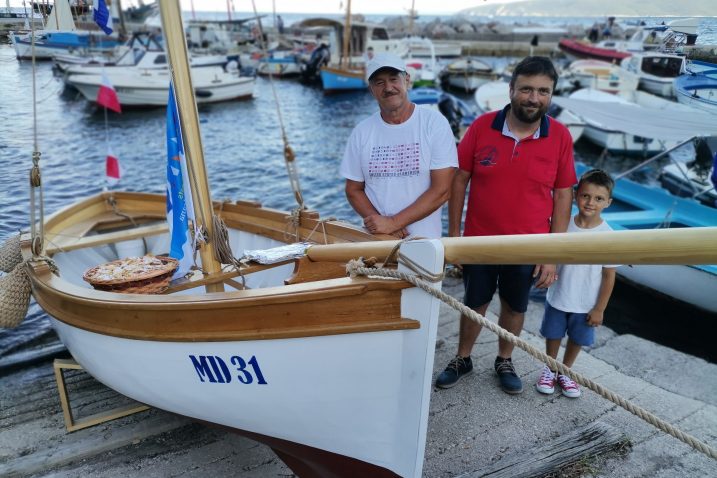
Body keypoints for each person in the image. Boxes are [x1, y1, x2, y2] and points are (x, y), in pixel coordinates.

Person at [436, 56, 576, 394]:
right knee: (474, 302)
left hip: (528, 245)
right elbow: (460, 180)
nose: (534, 98)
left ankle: (504, 359)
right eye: (526, 89)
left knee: (516, 305)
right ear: (511, 89)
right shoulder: (482, 126)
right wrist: (454, 236)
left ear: (552, 95)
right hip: (480, 240)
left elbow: (562, 196)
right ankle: (463, 357)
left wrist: (552, 254)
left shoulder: (560, 136)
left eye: (543, 91)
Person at [339, 53, 457, 239]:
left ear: (407, 80)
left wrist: (393, 223)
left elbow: (442, 191)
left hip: (425, 245)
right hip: (377, 242)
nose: (388, 88)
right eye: (379, 83)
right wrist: (380, 222)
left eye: (394, 79)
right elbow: (353, 189)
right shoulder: (361, 132)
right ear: (371, 90)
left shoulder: (434, 123)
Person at [536, 169, 618, 398]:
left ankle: (566, 371)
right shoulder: (562, 225)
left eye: (599, 198)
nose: (590, 202)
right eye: (585, 196)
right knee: (553, 334)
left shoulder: (609, 236)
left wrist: (599, 308)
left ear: (608, 203)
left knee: (577, 338)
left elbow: (609, 275)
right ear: (575, 195)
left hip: (587, 302)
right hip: (559, 294)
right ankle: (550, 367)